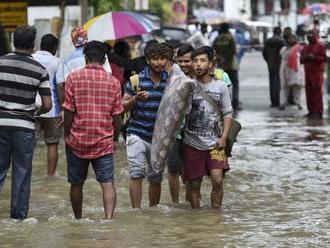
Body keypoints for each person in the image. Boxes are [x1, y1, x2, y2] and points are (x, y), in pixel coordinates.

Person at [63, 41, 122, 219]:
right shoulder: (114, 82)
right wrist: (115, 138)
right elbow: (117, 116)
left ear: (85, 58)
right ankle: (108, 220)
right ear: (104, 59)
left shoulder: (73, 78)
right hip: (104, 140)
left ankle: (78, 219)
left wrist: (66, 134)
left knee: (76, 183)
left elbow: (68, 111)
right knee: (107, 183)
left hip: (77, 139)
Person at [0, 26, 52, 219]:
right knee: (22, 175)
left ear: (14, 41)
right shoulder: (40, 69)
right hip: (24, 127)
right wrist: (35, 111)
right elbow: (47, 105)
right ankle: (18, 219)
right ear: (32, 45)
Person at [182, 46, 233, 209]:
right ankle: (197, 216)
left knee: (217, 180)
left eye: (202, 60)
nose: (198, 64)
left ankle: (215, 216)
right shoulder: (186, 86)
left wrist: (224, 137)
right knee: (194, 184)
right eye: (195, 61)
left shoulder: (221, 87)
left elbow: (227, 113)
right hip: (191, 142)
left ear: (211, 64)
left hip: (216, 143)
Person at [122, 43, 168, 208]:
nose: (159, 62)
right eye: (155, 59)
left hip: (160, 138)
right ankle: (136, 212)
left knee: (156, 177)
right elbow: (122, 106)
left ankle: (153, 212)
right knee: (136, 173)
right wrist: (135, 99)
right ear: (148, 60)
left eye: (163, 58)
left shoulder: (172, 81)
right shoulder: (136, 80)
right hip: (137, 133)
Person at [33, 34, 65, 176]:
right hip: (52, 109)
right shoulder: (57, 61)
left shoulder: (31, 58)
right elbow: (60, 87)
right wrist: (62, 109)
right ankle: (50, 176)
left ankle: (25, 174)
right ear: (54, 48)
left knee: (28, 144)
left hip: (32, 107)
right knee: (52, 143)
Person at [213, 22, 239, 110]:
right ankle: (235, 103)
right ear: (228, 29)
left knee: (221, 84)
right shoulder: (231, 38)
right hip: (231, 65)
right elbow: (234, 51)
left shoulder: (217, 39)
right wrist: (226, 58)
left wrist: (221, 58)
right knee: (234, 84)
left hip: (220, 65)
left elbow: (213, 52)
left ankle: (222, 104)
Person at [301, 30, 327, 119]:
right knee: (309, 93)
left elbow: (324, 58)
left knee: (317, 93)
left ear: (315, 36)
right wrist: (305, 58)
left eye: (311, 36)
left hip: (317, 72)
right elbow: (301, 59)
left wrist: (314, 58)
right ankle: (311, 111)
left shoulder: (320, 46)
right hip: (307, 72)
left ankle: (318, 112)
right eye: (308, 36)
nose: (309, 38)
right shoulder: (306, 47)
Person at [279, 34, 304, 110]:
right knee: (284, 87)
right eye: (289, 38)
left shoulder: (299, 48)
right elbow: (281, 56)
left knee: (297, 88)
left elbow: (302, 59)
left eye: (293, 38)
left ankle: (299, 103)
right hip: (285, 70)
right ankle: (282, 103)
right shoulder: (284, 49)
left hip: (296, 71)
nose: (291, 40)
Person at [262, 27, 285, 108]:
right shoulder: (282, 41)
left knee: (272, 83)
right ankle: (278, 101)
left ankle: (273, 102)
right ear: (280, 32)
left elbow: (264, 53)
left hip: (270, 65)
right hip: (279, 64)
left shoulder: (268, 41)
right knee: (278, 83)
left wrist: (268, 61)